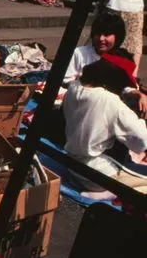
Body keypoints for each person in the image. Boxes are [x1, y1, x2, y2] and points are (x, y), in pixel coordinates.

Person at [63, 57, 147, 193]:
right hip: (97, 176)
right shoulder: (110, 101)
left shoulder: (75, 86)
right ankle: (106, 195)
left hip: (72, 166)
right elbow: (142, 138)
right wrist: (141, 120)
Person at [65, 13, 126, 82]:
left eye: (106, 34)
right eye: (98, 33)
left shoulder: (123, 60)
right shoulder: (79, 53)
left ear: (118, 36)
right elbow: (67, 79)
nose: (101, 38)